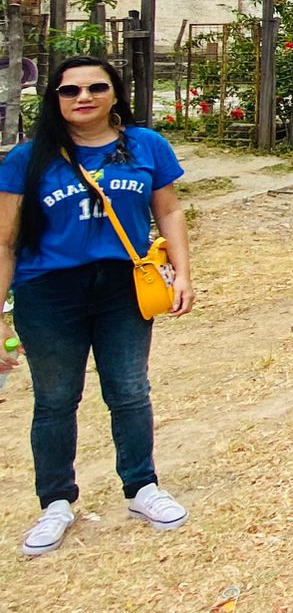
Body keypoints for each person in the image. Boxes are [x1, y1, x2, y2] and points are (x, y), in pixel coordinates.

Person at [0, 57, 194, 556]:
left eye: (95, 87)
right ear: (54, 99)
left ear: (115, 93)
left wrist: (184, 274)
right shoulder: (27, 158)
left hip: (122, 286)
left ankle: (141, 487)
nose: (82, 97)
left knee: (129, 390)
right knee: (56, 398)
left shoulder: (145, 145)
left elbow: (168, 209)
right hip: (48, 290)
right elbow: (5, 240)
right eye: (69, 91)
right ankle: (56, 502)